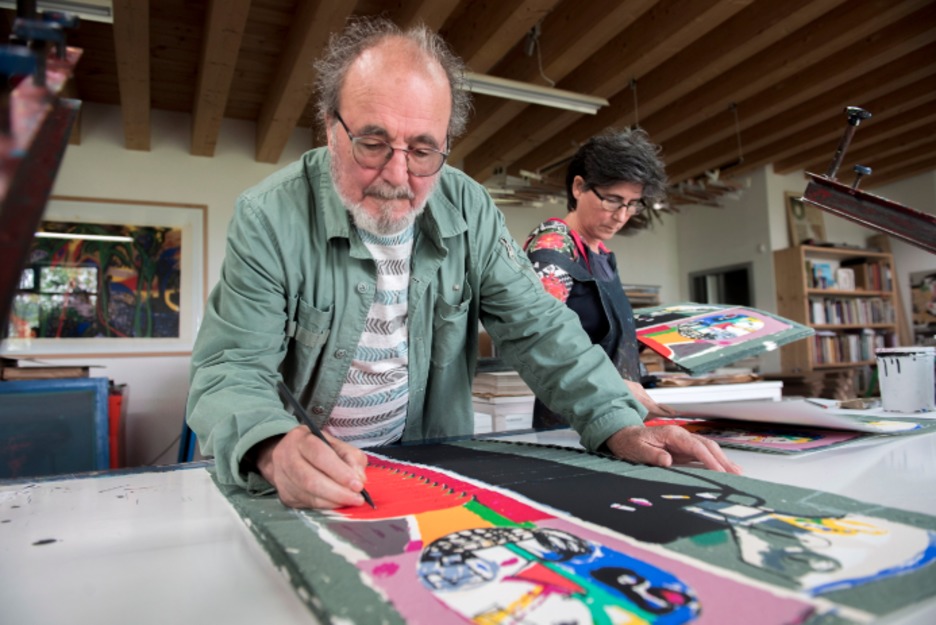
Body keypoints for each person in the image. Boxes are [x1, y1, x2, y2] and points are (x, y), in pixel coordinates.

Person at [186, 17, 740, 511]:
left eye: (424, 151)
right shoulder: (269, 216)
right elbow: (228, 370)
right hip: (310, 492)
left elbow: (538, 326)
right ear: (331, 127)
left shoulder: (469, 208)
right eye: (373, 142)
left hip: (433, 473)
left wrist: (617, 420)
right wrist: (271, 446)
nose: (398, 176)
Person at [524, 130, 678, 429]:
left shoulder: (602, 253)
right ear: (579, 187)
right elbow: (540, 339)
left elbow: (598, 333)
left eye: (633, 203)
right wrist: (613, 381)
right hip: (576, 420)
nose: (622, 215)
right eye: (613, 200)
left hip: (617, 412)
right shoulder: (553, 247)